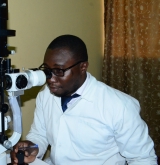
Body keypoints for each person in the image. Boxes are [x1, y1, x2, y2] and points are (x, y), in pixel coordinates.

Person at [10, 35, 158, 165]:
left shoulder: (119, 106)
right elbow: (39, 135)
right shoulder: (46, 95)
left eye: (59, 71)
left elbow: (143, 159)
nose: (51, 79)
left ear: (83, 67)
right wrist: (32, 147)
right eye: (47, 71)